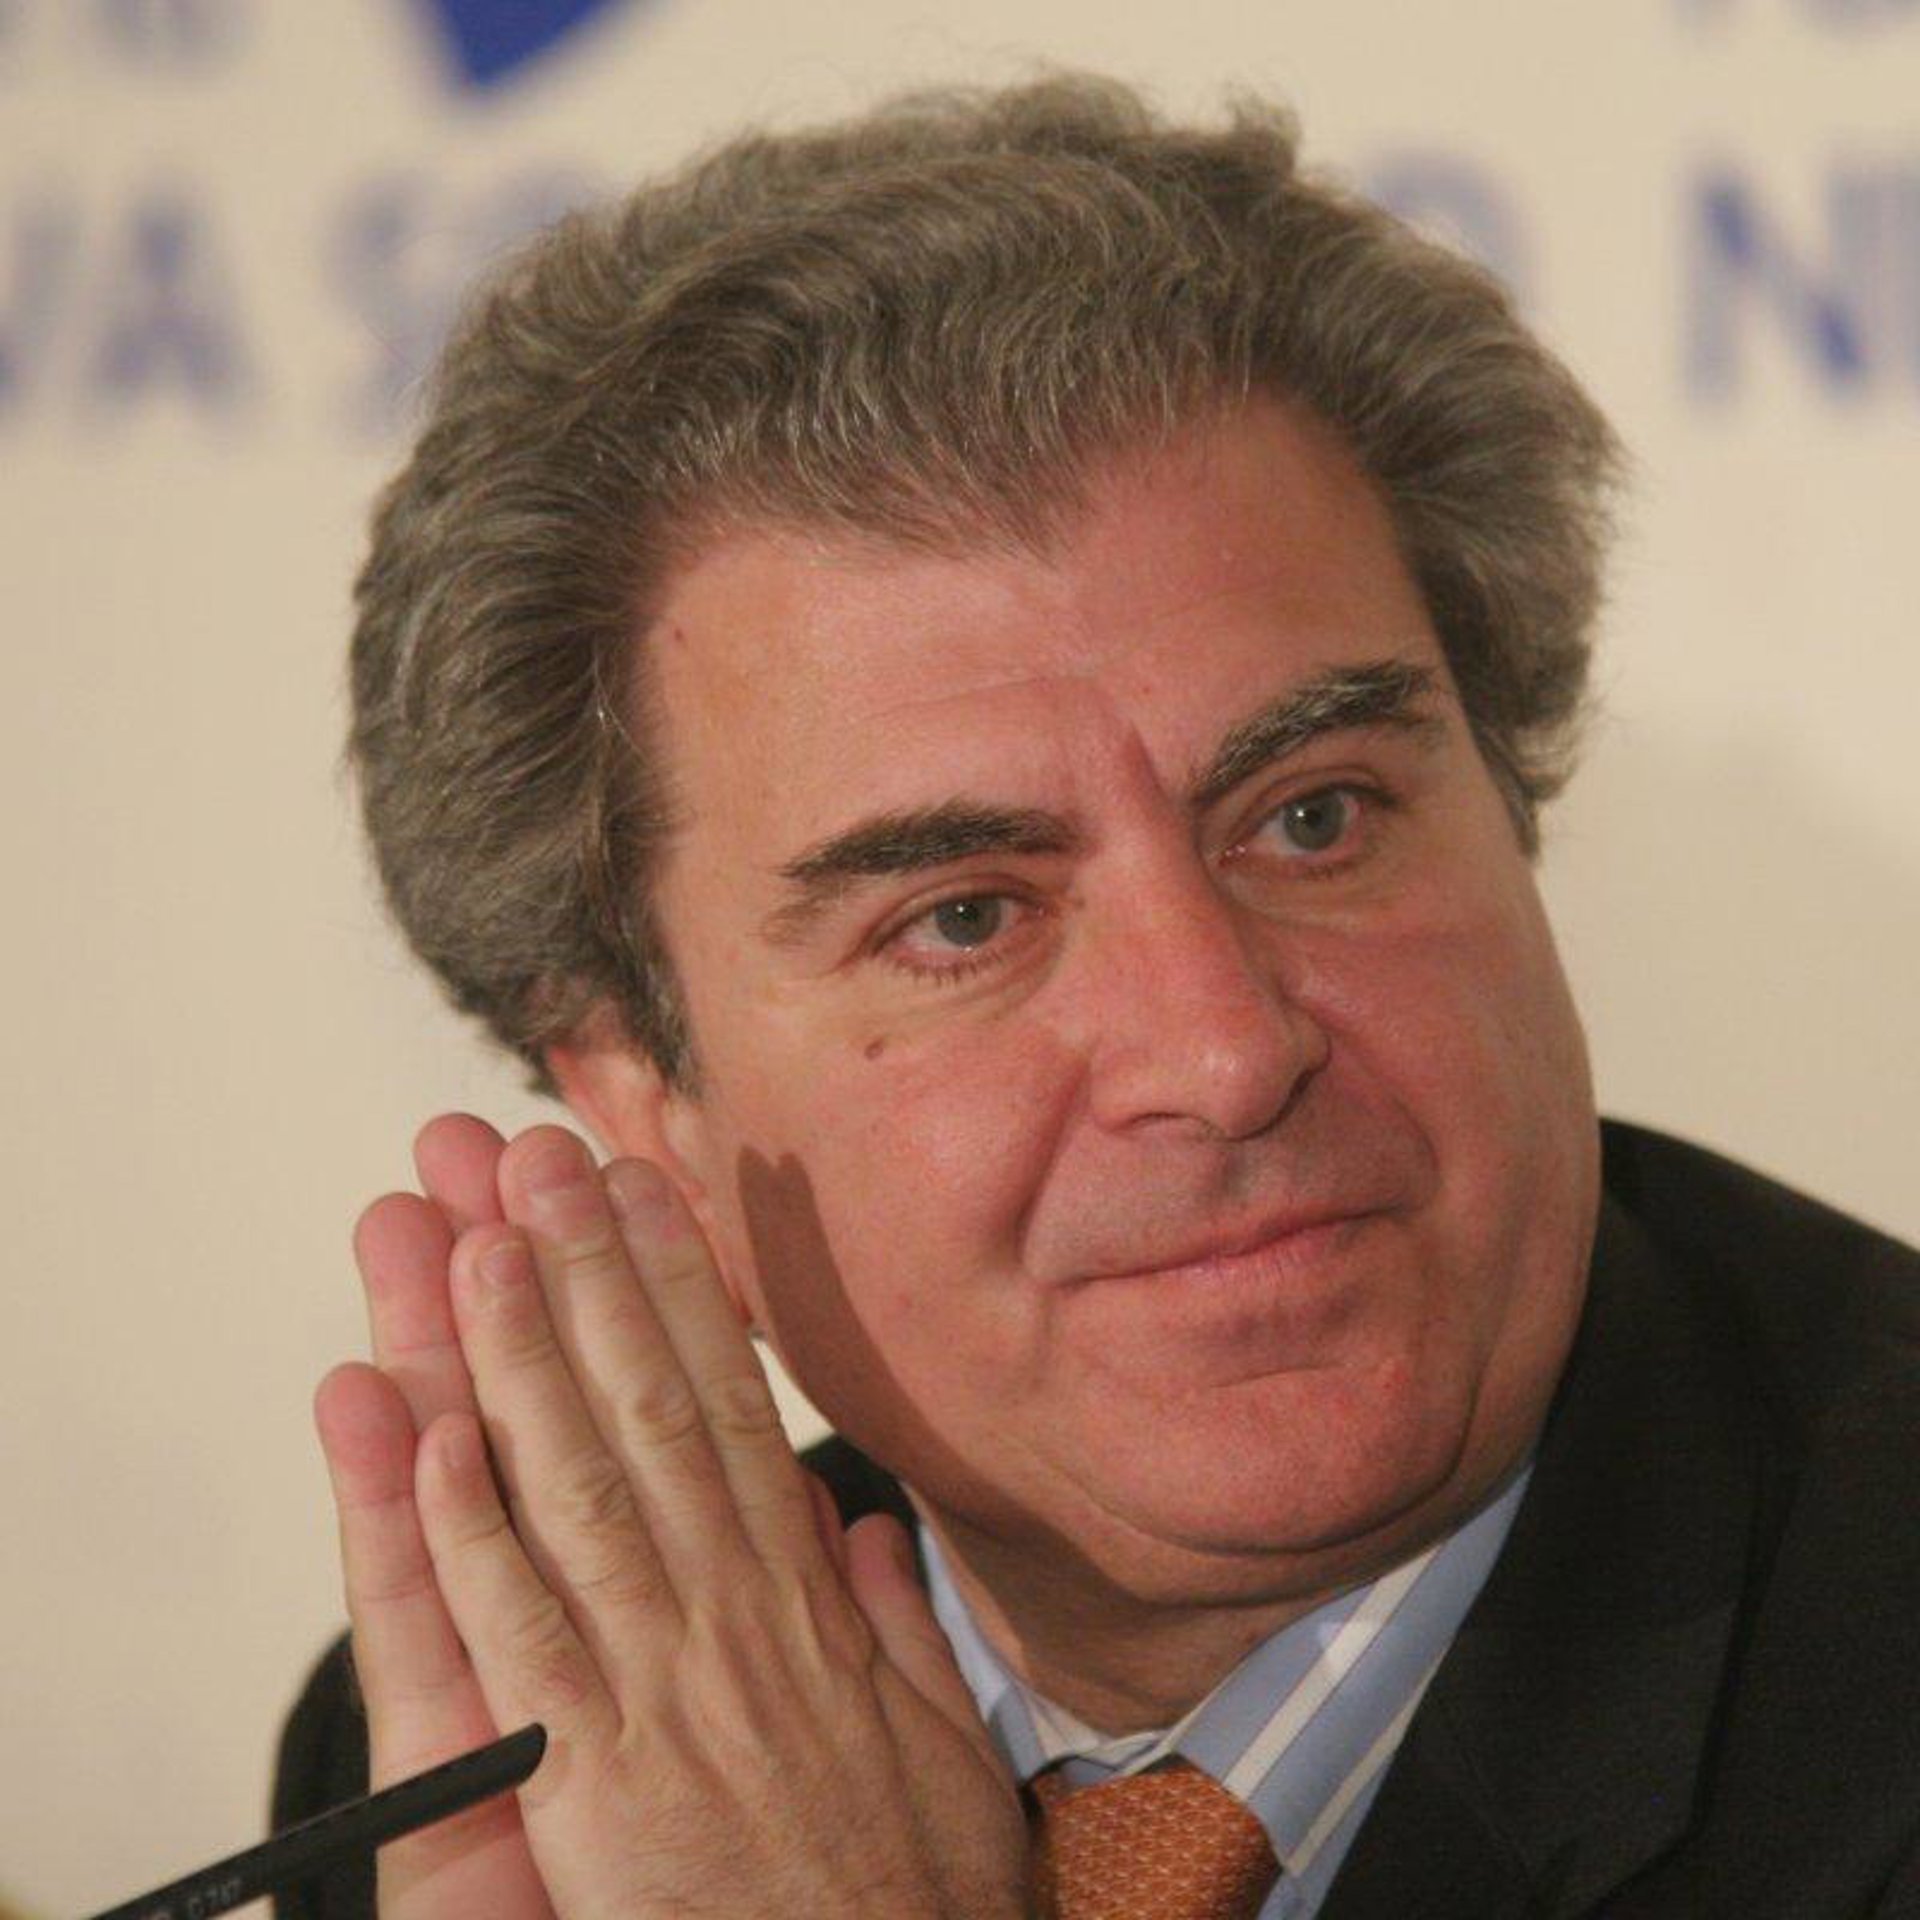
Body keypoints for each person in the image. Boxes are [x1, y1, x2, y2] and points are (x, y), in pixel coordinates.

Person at [273, 75, 1920, 1919]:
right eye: (966, 919)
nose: (1224, 1051)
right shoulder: (535, 1768)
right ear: (649, 1117)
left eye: (1312, 817)